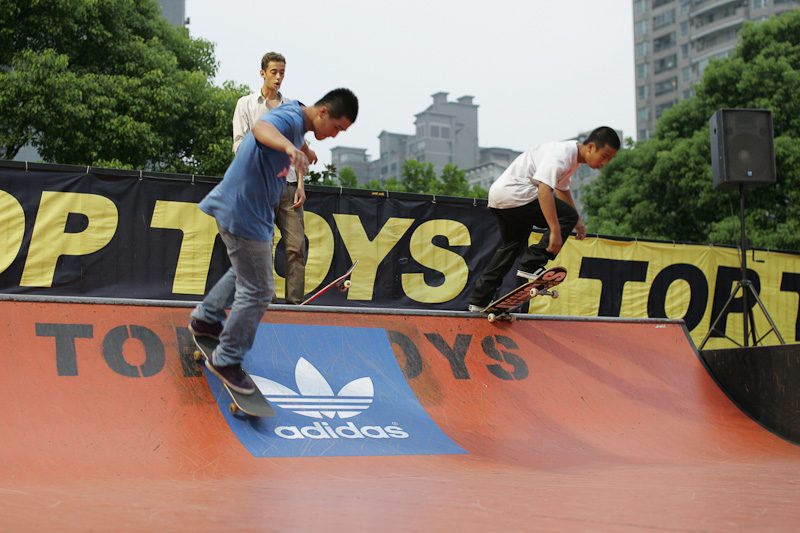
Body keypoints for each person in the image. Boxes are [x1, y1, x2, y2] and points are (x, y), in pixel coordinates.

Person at [190, 88, 358, 394]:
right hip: (244, 209)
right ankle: (226, 359)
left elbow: (291, 130)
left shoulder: (299, 120)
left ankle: (206, 319)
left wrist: (303, 149)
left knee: (245, 270)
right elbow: (261, 127)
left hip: (248, 208)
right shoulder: (291, 117)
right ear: (323, 112)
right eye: (337, 128)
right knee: (260, 290)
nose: (335, 135)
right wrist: (291, 148)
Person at [468, 126, 620, 311]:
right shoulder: (562, 155)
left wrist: (578, 223)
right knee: (565, 216)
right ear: (591, 147)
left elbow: (562, 189)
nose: (605, 162)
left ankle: (479, 300)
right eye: (604, 156)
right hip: (517, 194)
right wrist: (555, 230)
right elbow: (544, 191)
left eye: (610, 159)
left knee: (511, 248)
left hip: (500, 199)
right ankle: (532, 264)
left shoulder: (571, 160)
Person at [232, 51, 315, 305]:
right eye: (274, 72)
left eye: (282, 73)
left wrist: (300, 185)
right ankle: (266, 302)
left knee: (296, 247)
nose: (278, 77)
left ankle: (295, 304)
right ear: (263, 73)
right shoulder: (246, 104)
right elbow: (238, 145)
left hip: (288, 187)